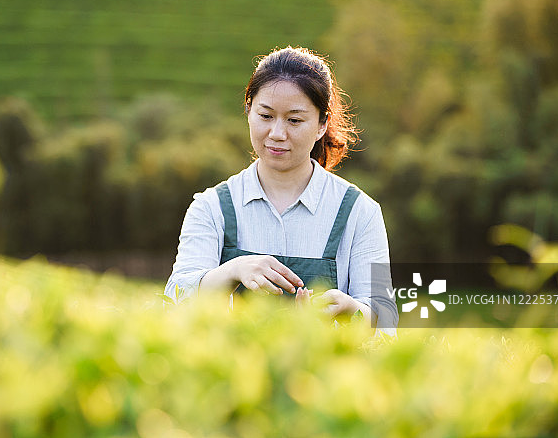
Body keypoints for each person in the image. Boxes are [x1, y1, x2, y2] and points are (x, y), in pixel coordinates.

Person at [164, 46, 397, 330]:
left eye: (294, 120)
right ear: (248, 111)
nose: (277, 133)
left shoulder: (359, 212)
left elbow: (386, 321)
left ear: (322, 124)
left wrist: (352, 310)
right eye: (265, 116)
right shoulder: (212, 207)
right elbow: (175, 299)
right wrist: (233, 270)